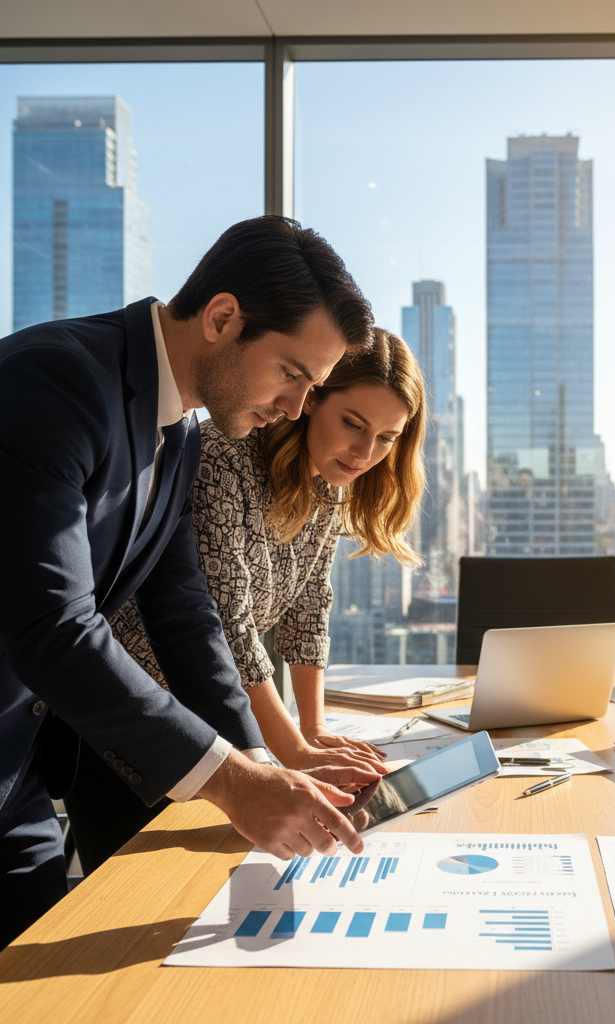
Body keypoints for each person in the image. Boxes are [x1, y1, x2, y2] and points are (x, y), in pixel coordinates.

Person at [0, 215, 379, 949]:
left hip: (18, 780)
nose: (296, 410)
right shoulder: (53, 382)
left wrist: (263, 769)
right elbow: (53, 624)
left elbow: (184, 612)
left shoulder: (181, 434)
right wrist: (232, 783)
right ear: (223, 317)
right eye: (293, 375)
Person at [68, 329, 426, 874]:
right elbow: (228, 629)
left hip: (219, 722)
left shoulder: (328, 486)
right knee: (131, 905)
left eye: (386, 438)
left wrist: (314, 728)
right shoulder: (222, 457)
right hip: (135, 724)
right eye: (353, 424)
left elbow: (310, 608)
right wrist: (296, 753)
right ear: (311, 401)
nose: (364, 452)